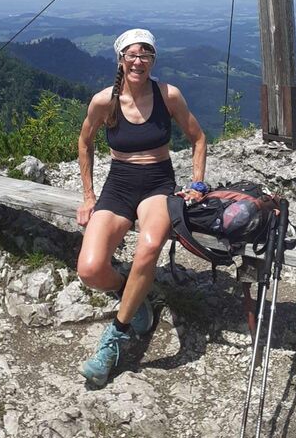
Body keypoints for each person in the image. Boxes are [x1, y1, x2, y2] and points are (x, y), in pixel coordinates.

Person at [76, 27, 207, 387]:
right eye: (132, 55)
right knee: (89, 270)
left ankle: (114, 340)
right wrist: (88, 197)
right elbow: (84, 143)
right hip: (118, 184)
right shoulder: (104, 101)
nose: (138, 61)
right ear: (120, 60)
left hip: (157, 183)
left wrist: (197, 184)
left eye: (145, 54)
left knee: (148, 248)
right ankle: (134, 293)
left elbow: (198, 138)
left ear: (153, 59)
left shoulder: (168, 95)